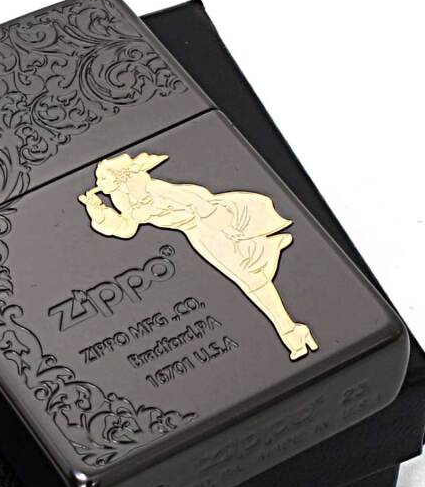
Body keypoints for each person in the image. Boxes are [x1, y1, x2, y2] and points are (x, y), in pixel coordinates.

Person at [78, 152, 318, 360]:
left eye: (102, 178)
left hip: (209, 225)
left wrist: (227, 229)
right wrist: (98, 213)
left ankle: (290, 331)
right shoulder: (124, 199)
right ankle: (292, 330)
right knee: (248, 278)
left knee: (249, 278)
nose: (97, 183)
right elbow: (127, 229)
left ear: (120, 178)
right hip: (196, 233)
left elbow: (197, 200)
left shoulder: (153, 189)